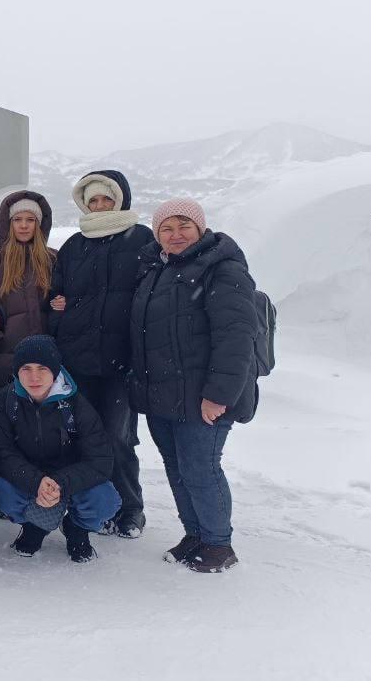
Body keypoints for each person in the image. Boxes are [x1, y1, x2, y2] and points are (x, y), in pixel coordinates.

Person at [130, 199, 259, 573]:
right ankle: (195, 535)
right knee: (177, 468)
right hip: (163, 396)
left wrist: (219, 394)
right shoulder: (155, 270)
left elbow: (237, 336)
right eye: (166, 228)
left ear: (200, 228)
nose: (175, 235)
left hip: (203, 397)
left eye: (184, 225)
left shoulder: (222, 269)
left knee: (201, 468)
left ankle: (218, 544)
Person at [47, 171, 154, 538]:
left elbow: (151, 295)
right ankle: (99, 507)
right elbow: (56, 297)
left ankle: (131, 509)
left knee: (117, 437)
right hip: (78, 360)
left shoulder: (142, 239)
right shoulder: (75, 245)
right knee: (83, 438)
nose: (100, 205)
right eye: (93, 200)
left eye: (106, 199)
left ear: (120, 199)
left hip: (121, 363)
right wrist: (56, 310)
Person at [0, 335, 120, 563]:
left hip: (71, 479)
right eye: (26, 368)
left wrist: (60, 483)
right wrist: (36, 482)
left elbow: (100, 461)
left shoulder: (77, 404)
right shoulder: (6, 401)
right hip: (30, 478)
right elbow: (2, 453)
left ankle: (76, 528)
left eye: (42, 368)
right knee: (2, 491)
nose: (34, 376)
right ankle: (33, 527)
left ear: (55, 370)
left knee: (105, 499)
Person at [0, 191, 57, 395]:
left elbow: (66, 304)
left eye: (30, 220)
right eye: (17, 219)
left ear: (39, 224)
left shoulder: (54, 260)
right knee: (4, 424)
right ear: (8, 223)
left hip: (47, 365)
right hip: (4, 365)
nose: (24, 225)